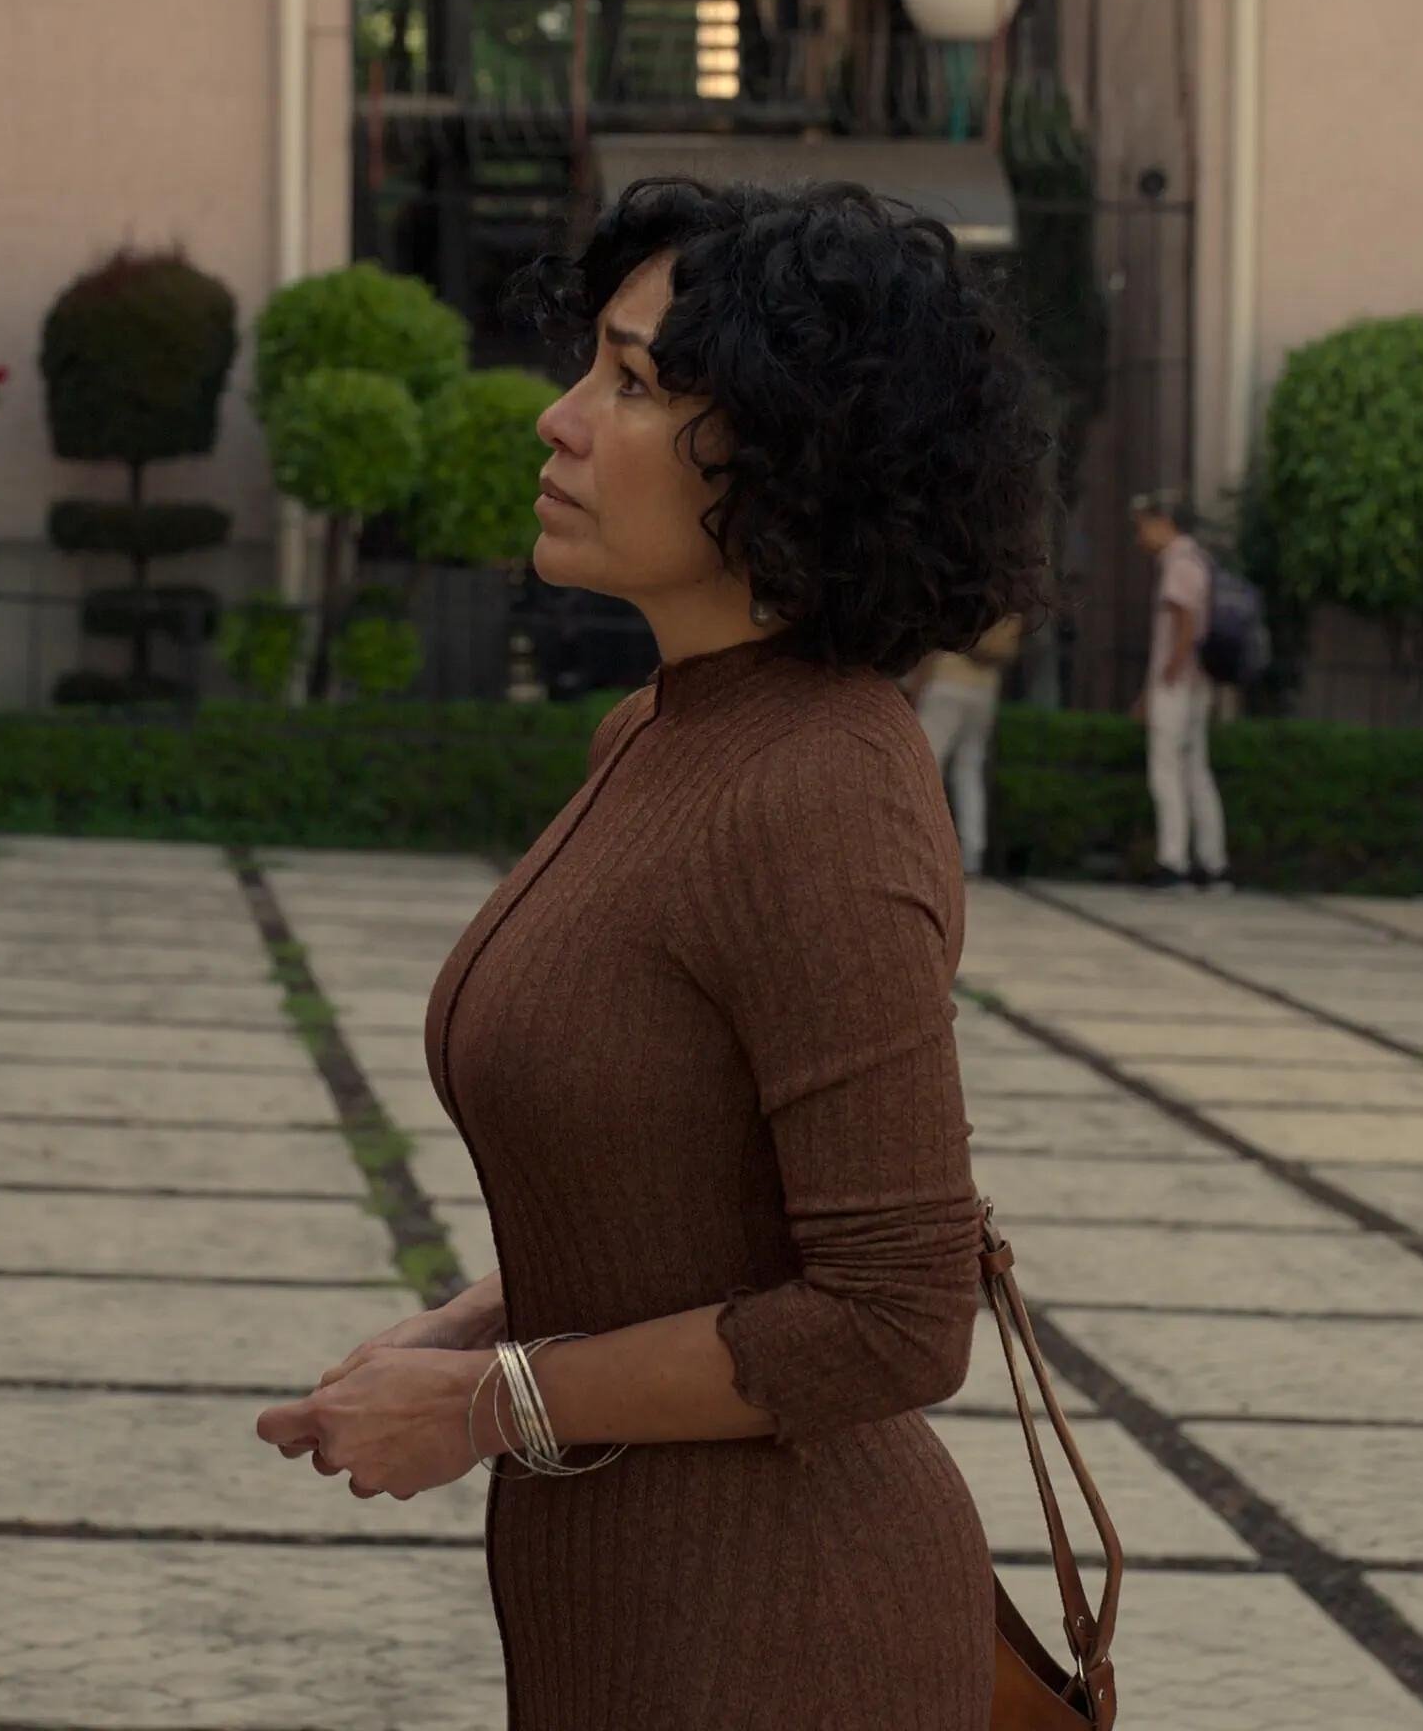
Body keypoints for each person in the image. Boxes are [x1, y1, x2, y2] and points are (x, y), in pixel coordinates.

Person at [253, 178, 1059, 1726]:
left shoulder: (822, 786)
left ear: (791, 452)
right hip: (624, 1599)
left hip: (783, 1631)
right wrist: (481, 1321)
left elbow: (896, 1315)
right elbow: (690, 1185)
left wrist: (492, 1403)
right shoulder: (659, 733)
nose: (559, 421)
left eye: (632, 384)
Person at [1130, 492, 1232, 892]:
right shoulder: (1200, 560)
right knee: (1195, 771)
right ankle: (1213, 862)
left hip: (1176, 685)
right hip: (1196, 684)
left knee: (1166, 771)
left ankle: (1173, 860)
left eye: (1143, 526)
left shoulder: (1178, 564)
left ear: (1162, 522)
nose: (1140, 537)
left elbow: (1185, 621)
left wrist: (1170, 670)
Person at [909, 613, 1025, 877]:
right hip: (984, 689)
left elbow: (934, 643)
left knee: (925, 764)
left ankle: (920, 841)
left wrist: (918, 685)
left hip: (947, 682)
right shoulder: (1007, 606)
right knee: (969, 770)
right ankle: (972, 853)